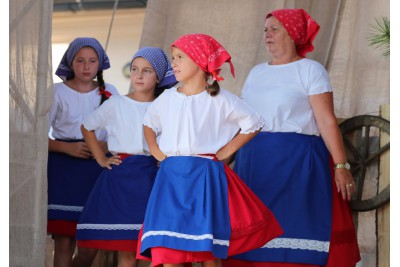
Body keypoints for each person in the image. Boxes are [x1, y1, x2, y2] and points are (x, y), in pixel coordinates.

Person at [221, 9, 361, 267]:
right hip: (255, 162)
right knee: (254, 234)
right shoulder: (256, 73)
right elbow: (244, 121)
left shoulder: (310, 70)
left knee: (296, 227)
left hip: (297, 162)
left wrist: (341, 165)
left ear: (293, 35)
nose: (267, 35)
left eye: (275, 29)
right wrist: (224, 157)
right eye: (265, 30)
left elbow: (326, 120)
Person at [136, 33, 284, 267]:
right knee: (169, 248)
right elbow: (148, 123)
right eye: (173, 57)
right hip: (170, 178)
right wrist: (155, 150)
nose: (173, 63)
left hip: (204, 177)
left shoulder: (221, 98)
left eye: (180, 57)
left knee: (207, 250)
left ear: (199, 61)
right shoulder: (167, 97)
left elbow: (254, 122)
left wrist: (226, 151)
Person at [74, 47, 178, 267]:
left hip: (151, 178)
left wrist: (163, 157)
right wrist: (101, 158)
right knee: (111, 247)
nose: (138, 75)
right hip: (120, 177)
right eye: (134, 69)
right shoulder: (117, 103)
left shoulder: (165, 106)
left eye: (147, 71)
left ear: (158, 76)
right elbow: (87, 126)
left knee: (134, 248)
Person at [47, 37, 119, 267]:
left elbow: (120, 129)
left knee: (90, 244)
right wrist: (66, 147)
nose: (86, 67)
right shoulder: (56, 91)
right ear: (70, 62)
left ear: (100, 64)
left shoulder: (109, 91)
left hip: (98, 168)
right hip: (63, 168)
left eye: (92, 61)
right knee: (64, 241)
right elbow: (36, 138)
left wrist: (103, 147)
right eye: (80, 60)